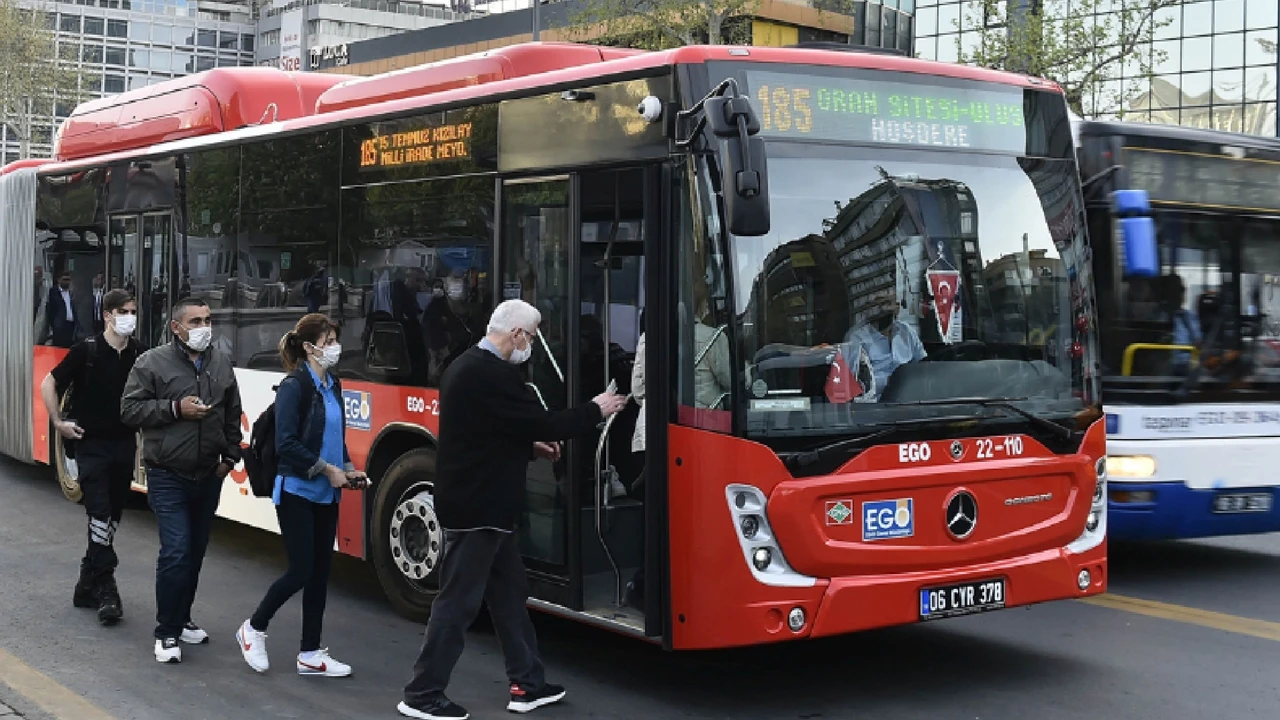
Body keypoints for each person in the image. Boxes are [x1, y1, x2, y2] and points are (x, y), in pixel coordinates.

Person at [397, 299, 628, 720]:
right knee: (457, 604)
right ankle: (422, 693)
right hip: (478, 509)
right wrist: (598, 409)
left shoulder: (465, 365)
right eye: (534, 335)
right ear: (517, 334)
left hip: (482, 507)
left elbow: (485, 431)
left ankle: (528, 684)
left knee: (508, 598)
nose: (535, 344)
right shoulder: (493, 375)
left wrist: (528, 446)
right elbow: (545, 422)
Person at [236, 314, 368, 677]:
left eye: (335, 340)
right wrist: (329, 470)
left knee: (320, 573)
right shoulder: (295, 386)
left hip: (327, 494)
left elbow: (334, 435)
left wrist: (347, 467)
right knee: (301, 570)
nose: (334, 348)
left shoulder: (334, 384)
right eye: (327, 342)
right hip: (296, 488)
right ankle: (253, 628)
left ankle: (310, 653)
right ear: (309, 348)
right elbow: (287, 444)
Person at [120, 297, 243, 664]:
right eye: (195, 321)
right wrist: (176, 408)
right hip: (167, 473)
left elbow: (232, 411)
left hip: (208, 474)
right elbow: (129, 410)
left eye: (207, 319)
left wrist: (231, 457)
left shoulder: (220, 362)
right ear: (177, 327)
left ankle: (182, 616)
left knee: (194, 552)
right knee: (176, 551)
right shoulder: (151, 362)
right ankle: (167, 632)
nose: (204, 327)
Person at [41, 290, 143, 625]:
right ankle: (105, 588)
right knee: (99, 514)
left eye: (133, 311)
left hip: (124, 445)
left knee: (112, 517)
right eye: (123, 311)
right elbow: (49, 383)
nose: (130, 316)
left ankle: (86, 583)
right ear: (108, 315)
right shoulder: (86, 351)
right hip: (91, 445)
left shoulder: (141, 354)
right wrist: (58, 423)